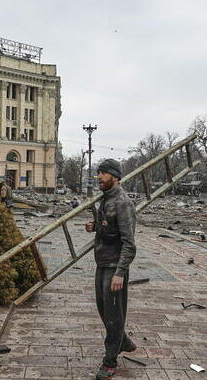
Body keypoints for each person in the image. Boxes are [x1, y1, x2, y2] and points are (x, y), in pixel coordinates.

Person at [85, 159, 137, 380]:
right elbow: (109, 227)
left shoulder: (123, 203)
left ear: (115, 176)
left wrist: (120, 273)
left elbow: (129, 243)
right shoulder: (105, 200)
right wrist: (95, 226)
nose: (99, 177)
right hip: (102, 262)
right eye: (98, 173)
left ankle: (110, 361)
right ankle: (122, 341)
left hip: (114, 267)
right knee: (104, 310)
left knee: (114, 315)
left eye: (104, 174)